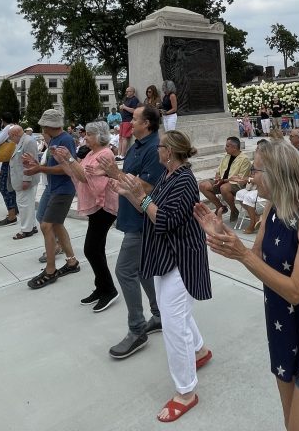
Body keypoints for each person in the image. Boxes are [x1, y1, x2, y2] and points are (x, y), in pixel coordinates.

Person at [196, 139, 299, 430]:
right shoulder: (273, 207)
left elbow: (297, 290)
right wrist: (223, 238)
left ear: (276, 174)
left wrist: (242, 254)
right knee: (291, 425)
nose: (250, 177)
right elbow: (258, 257)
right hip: (285, 329)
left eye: (256, 170)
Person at [113, 130, 212, 423]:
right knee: (176, 313)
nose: (157, 151)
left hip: (181, 258)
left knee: (172, 322)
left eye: (161, 148)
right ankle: (200, 350)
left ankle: (186, 392)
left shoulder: (184, 180)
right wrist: (132, 194)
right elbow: (150, 211)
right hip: (166, 257)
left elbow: (165, 219)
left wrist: (141, 197)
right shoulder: (169, 177)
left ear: (170, 152)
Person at [100, 105, 163, 359]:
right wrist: (112, 176)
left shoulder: (154, 148)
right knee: (140, 268)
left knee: (124, 270)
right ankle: (159, 314)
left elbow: (145, 187)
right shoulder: (137, 145)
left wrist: (117, 174)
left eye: (134, 119)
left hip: (142, 221)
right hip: (132, 217)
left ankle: (137, 329)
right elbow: (130, 180)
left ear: (147, 123)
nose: (129, 122)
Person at [53, 121, 120, 312]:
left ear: (99, 136)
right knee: (95, 249)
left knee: (91, 249)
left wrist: (71, 160)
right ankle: (102, 287)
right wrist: (63, 160)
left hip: (104, 207)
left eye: (89, 134)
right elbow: (77, 175)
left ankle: (108, 289)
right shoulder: (91, 153)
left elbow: (85, 178)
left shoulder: (106, 153)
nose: (86, 137)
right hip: (98, 207)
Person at [25, 109, 81, 289]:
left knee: (46, 225)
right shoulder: (55, 140)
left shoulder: (64, 140)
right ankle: (72, 262)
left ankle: (50, 270)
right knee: (55, 224)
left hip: (63, 189)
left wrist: (39, 170)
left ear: (49, 125)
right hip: (55, 188)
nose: (41, 127)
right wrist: (37, 164)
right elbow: (53, 164)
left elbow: (67, 169)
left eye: (43, 125)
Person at [198, 136, 251, 223]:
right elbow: (219, 171)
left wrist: (223, 181)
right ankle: (220, 207)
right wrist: (217, 178)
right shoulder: (226, 157)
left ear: (234, 148)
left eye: (227, 146)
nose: (225, 148)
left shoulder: (244, 159)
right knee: (203, 185)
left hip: (235, 185)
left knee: (224, 188)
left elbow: (240, 178)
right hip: (222, 182)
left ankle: (234, 210)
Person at [10, 126, 41, 240]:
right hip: (22, 178)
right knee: (28, 204)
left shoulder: (28, 141)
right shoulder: (22, 141)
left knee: (24, 205)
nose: (10, 138)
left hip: (26, 179)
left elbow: (29, 162)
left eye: (10, 136)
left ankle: (26, 230)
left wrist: (26, 179)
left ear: (15, 134)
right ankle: (31, 226)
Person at [117, 86, 140, 160]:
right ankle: (119, 154)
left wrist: (125, 107)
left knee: (124, 137)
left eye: (128, 91)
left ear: (133, 92)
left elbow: (134, 110)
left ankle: (123, 155)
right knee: (120, 137)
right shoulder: (126, 99)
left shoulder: (134, 99)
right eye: (126, 91)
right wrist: (122, 107)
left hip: (129, 120)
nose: (126, 92)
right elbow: (124, 107)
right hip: (123, 120)